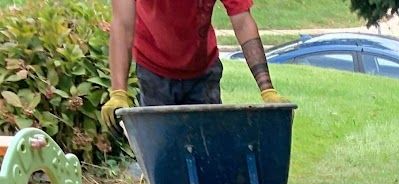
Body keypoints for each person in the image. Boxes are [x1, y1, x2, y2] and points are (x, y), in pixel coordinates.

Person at [100, 0, 284, 127]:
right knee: (164, 157)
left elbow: (242, 21)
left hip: (203, 71)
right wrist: (118, 92)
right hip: (154, 71)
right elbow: (123, 25)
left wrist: (267, 89)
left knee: (209, 152)